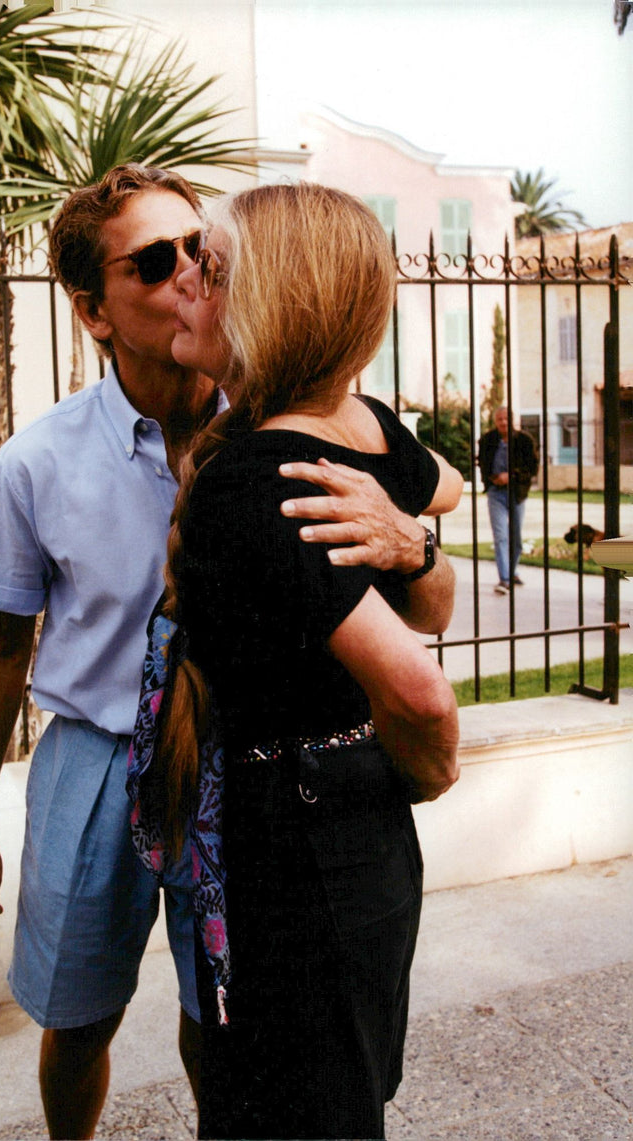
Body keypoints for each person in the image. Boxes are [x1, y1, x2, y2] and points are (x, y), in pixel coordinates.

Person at [0, 165, 457, 1141]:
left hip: (240, 769)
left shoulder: (280, 428)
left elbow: (427, 518)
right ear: (95, 310)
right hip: (98, 758)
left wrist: (406, 534)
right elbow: (1, 642)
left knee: (218, 1013)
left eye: (200, 250)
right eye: (154, 261)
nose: (188, 273)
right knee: (79, 1013)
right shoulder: (37, 464)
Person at [131, 183, 461, 1141]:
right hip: (355, 835)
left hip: (293, 848)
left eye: (210, 262)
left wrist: (433, 772)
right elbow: (435, 529)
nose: (183, 278)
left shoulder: (254, 475)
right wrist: (417, 544)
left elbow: (420, 687)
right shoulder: (368, 428)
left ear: (275, 295)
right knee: (339, 1093)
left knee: (288, 1109)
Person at [477, 405, 539, 594]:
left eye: (506, 418)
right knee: (500, 536)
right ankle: (504, 579)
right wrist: (491, 478)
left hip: (516, 493)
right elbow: (482, 463)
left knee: (516, 538)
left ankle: (512, 572)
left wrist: (511, 475)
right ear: (495, 421)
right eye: (499, 419)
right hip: (496, 493)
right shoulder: (487, 440)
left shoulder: (524, 440)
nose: (503, 422)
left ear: (512, 420)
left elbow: (533, 468)